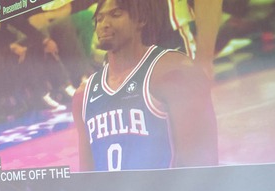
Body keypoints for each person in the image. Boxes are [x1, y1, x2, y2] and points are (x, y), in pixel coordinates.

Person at [73, 0, 218, 172]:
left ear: (140, 19)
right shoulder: (84, 94)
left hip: (169, 41)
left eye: (115, 15)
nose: (104, 24)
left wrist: (205, 56)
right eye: (99, 18)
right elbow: (86, 175)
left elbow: (201, 167)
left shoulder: (175, 71)